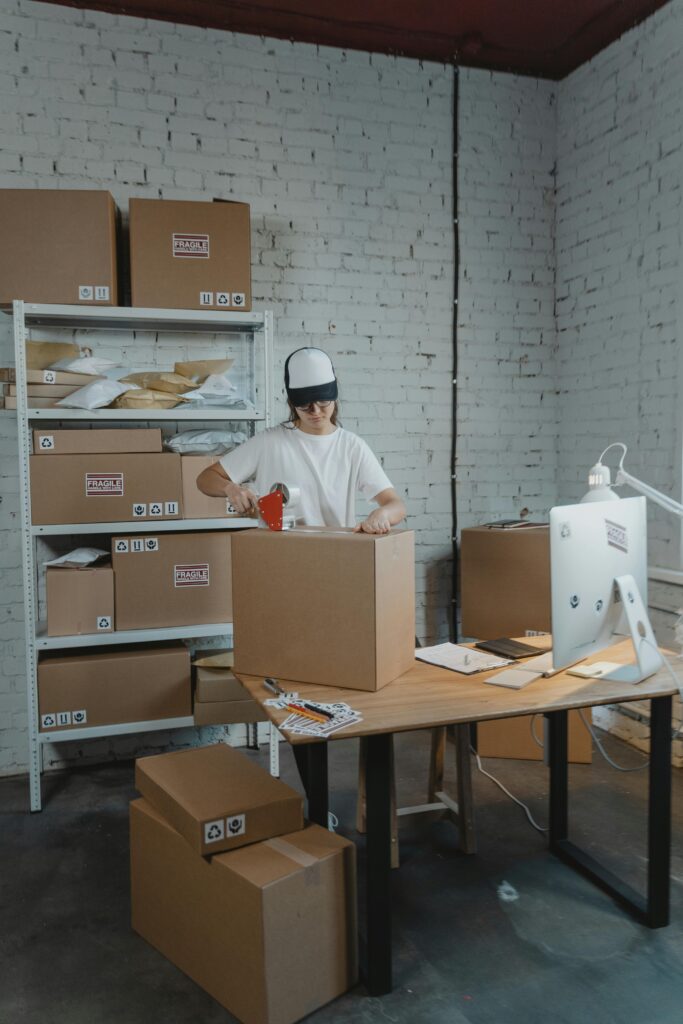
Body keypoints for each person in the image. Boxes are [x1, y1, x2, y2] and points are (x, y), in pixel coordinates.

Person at [196, 347, 406, 533]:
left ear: (334, 396)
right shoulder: (269, 442)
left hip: (336, 554)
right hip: (279, 555)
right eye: (305, 405)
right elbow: (205, 478)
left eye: (323, 402)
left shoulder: (352, 447)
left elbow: (395, 504)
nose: (315, 411)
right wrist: (230, 488)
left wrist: (382, 514)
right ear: (291, 403)